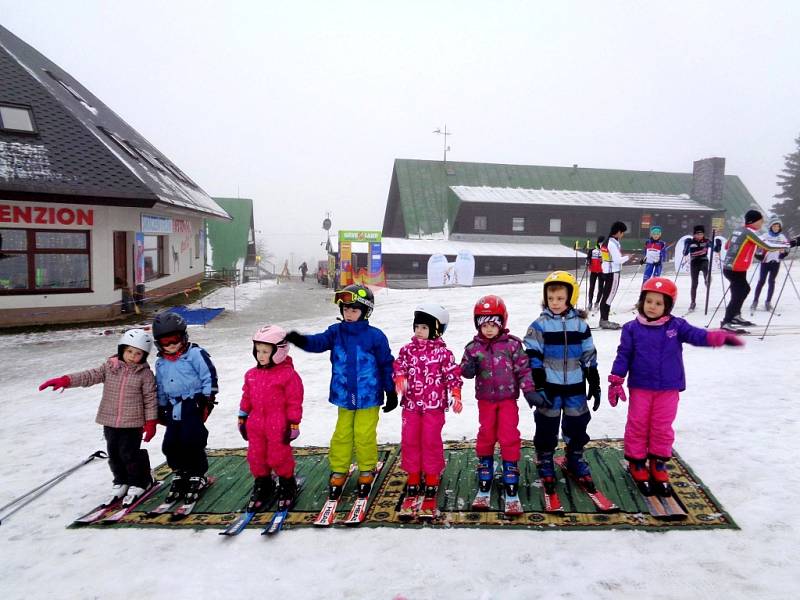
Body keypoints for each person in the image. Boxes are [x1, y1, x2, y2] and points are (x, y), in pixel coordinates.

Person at [607, 277, 744, 495]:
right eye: (649, 301)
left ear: (668, 306)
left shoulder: (676, 326)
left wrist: (720, 338)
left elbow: (698, 336)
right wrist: (616, 378)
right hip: (641, 386)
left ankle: (658, 462)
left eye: (659, 303)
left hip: (668, 388)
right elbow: (624, 354)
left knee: (662, 424)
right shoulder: (632, 328)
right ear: (641, 302)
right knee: (638, 423)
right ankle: (637, 461)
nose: (652, 306)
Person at [285, 284, 396, 501]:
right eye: (345, 309)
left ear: (365, 312)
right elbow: (318, 342)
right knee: (342, 434)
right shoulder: (335, 333)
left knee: (364, 435)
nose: (349, 314)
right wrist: (301, 340)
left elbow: (386, 364)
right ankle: (339, 469)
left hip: (368, 396)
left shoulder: (375, 336)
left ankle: (366, 469)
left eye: (354, 310)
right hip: (344, 396)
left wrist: (390, 391)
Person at [38, 329, 158, 506]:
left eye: (138, 353)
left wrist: (150, 423)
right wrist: (66, 380)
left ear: (144, 355)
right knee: (114, 454)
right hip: (109, 421)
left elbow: (150, 398)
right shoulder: (110, 368)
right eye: (129, 351)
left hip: (132, 423)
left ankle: (141, 481)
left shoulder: (145, 375)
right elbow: (90, 376)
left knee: (129, 454)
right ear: (122, 350)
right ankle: (121, 480)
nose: (133, 356)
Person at [523, 271, 601, 493]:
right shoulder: (540, 325)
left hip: (575, 385)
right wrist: (537, 381)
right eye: (550, 298)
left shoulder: (580, 325)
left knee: (578, 422)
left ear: (570, 297)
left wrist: (593, 379)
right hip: (549, 386)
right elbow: (532, 353)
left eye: (559, 298)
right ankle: (545, 458)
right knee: (546, 425)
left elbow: (588, 353)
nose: (555, 303)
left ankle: (574, 456)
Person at [460, 295, 534, 499]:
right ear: (478, 325)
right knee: (486, 432)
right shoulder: (473, 348)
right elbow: (465, 372)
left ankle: (510, 465)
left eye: (494, 324)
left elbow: (524, 370)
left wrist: (529, 390)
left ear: (502, 323)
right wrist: (468, 367)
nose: (489, 329)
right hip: (485, 400)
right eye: (485, 325)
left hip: (508, 399)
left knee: (509, 432)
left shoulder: (512, 345)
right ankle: (485, 461)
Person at [393, 303, 462, 504]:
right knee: (410, 439)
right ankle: (413, 475)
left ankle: (432, 475)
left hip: (434, 408)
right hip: (412, 406)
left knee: (430, 440)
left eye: (424, 327)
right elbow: (399, 366)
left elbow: (452, 375)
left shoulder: (444, 354)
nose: (419, 331)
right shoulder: (407, 350)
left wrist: (455, 393)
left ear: (436, 329)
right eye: (417, 327)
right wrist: (399, 378)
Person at [152, 312, 219, 504]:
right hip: (173, 407)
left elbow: (209, 375)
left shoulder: (195, 354)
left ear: (184, 337)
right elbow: (161, 385)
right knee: (171, 443)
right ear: (159, 343)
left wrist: (208, 399)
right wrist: (161, 406)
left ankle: (197, 473)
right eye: (166, 341)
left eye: (175, 339)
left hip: (193, 403)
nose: (171, 345)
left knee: (192, 439)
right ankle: (181, 471)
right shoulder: (161, 362)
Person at [238, 325, 304, 510]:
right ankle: (263, 483)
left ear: (279, 352)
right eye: (257, 350)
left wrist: (293, 424)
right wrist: (243, 417)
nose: (260, 355)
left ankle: (286, 483)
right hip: (256, 423)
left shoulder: (288, 375)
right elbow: (246, 398)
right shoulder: (251, 375)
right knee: (256, 456)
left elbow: (294, 401)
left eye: (265, 351)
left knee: (278, 456)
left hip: (278, 424)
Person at [721, 209, 795, 331]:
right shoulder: (749, 232)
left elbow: (727, 246)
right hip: (735, 268)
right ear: (754, 221)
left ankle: (735, 316)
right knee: (742, 291)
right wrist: (790, 244)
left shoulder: (739, 230)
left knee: (740, 291)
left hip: (734, 267)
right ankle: (726, 321)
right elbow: (768, 246)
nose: (762, 223)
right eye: (761, 220)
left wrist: (744, 250)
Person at [751, 217, 791, 312]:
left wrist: (784, 254)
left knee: (771, 282)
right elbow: (757, 248)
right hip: (765, 262)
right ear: (771, 226)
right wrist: (758, 256)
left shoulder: (782, 237)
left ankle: (768, 302)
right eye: (774, 226)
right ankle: (755, 301)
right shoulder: (765, 236)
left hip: (775, 262)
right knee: (761, 281)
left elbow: (787, 248)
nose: (776, 228)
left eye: (778, 226)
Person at [681, 225, 721, 311]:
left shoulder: (706, 241)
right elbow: (685, 253)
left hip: (704, 260)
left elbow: (716, 250)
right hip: (694, 262)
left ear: (703, 234)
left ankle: (707, 279)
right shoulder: (691, 242)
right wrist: (686, 245)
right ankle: (693, 302)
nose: (699, 236)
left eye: (701, 234)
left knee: (705, 267)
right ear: (694, 235)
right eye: (697, 234)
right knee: (694, 283)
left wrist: (718, 244)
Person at [599, 221, 628, 329]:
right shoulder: (612, 243)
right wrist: (628, 257)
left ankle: (603, 319)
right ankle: (604, 320)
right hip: (613, 273)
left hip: (606, 272)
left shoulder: (606, 242)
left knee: (605, 296)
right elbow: (618, 260)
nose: (623, 235)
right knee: (609, 297)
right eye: (622, 232)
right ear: (618, 232)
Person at [586, 236, 605, 310]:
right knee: (591, 287)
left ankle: (597, 303)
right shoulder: (592, 250)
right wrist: (588, 262)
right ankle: (590, 302)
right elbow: (588, 258)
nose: (602, 243)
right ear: (598, 242)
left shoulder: (605, 250)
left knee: (601, 288)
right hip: (593, 271)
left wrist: (602, 260)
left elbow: (607, 260)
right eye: (601, 242)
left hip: (601, 271)